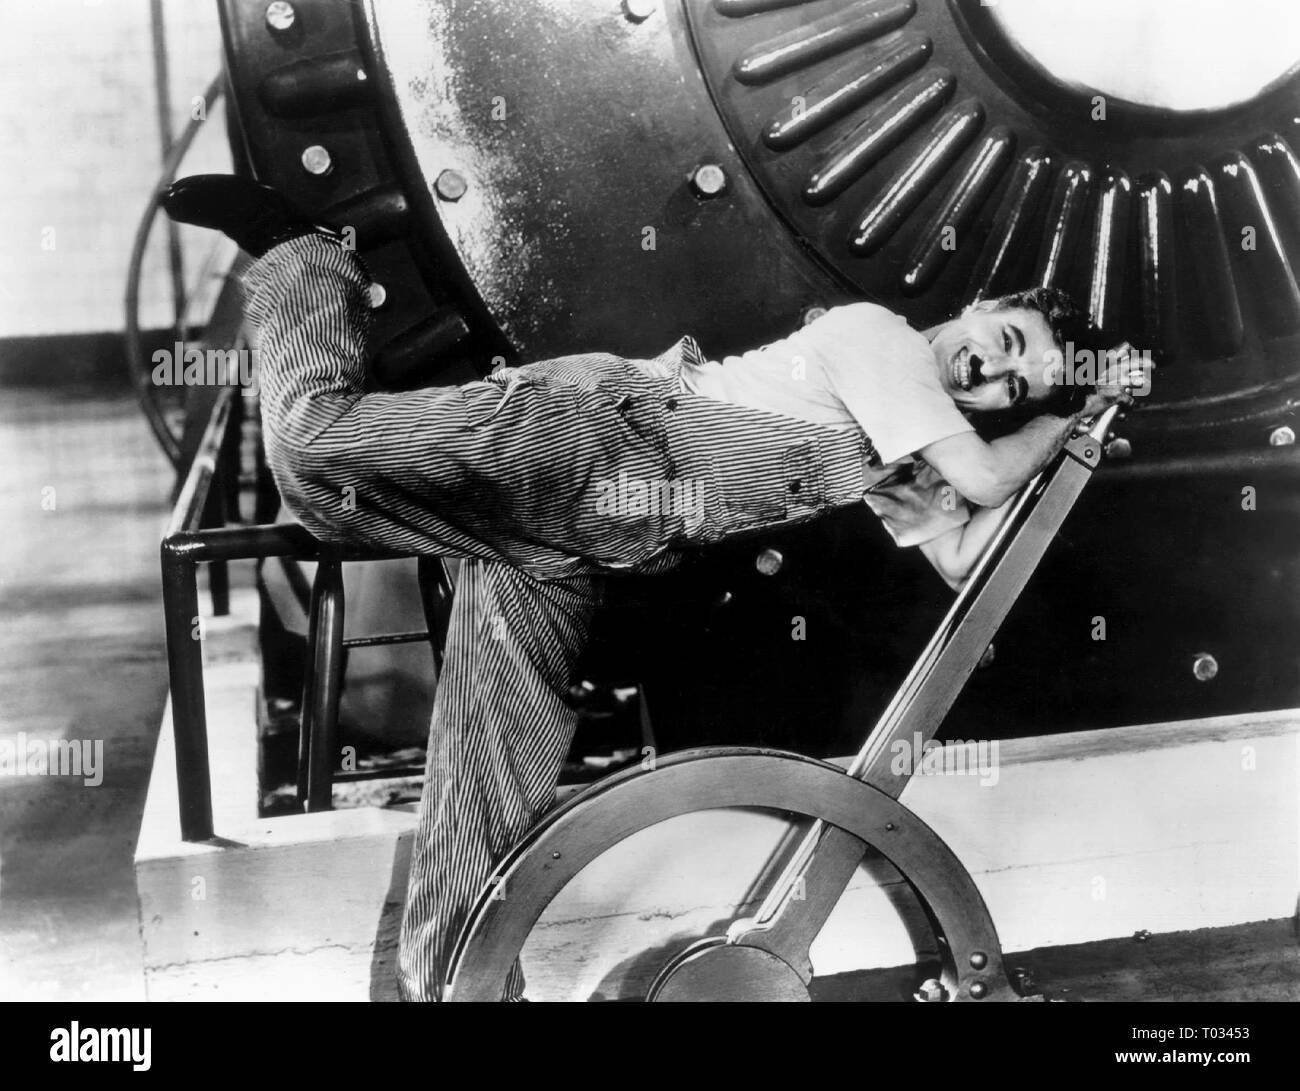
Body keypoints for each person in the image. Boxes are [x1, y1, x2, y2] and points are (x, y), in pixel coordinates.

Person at [163, 174, 1141, 1000]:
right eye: (1006, 339)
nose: (993, 372)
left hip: (575, 542)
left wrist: (1080, 428)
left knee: (492, 772)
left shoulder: (902, 446)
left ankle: (460, 989)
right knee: (317, 453)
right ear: (979, 307)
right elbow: (978, 480)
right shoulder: (879, 336)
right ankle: (304, 253)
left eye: (1017, 387)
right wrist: (1067, 418)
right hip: (587, 436)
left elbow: (965, 557)